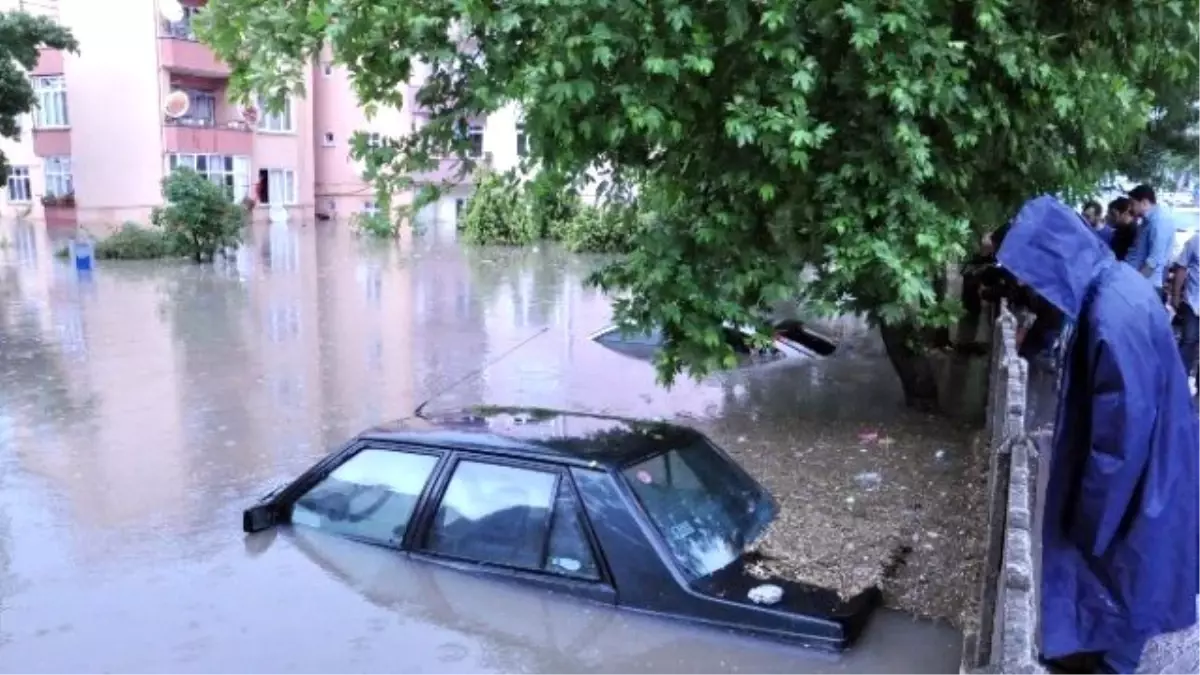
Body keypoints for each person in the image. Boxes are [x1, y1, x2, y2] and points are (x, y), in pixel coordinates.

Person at [996, 195, 1198, 675]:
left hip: (1145, 477)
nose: (1027, 285)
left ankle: (1110, 661)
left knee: (1127, 574)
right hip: (1159, 460)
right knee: (1129, 575)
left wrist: (1088, 518)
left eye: (1028, 271)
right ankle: (1095, 651)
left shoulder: (1111, 315)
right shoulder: (1114, 288)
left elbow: (1117, 444)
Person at [1127, 184, 1176, 300]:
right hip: (1141, 283)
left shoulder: (1159, 220)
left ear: (1144, 202)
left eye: (1132, 204)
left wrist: (1136, 283)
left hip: (1146, 286)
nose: (1130, 208)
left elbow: (1153, 260)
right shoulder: (1148, 220)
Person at [1170, 231, 1200, 395]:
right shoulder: (1196, 240)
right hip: (1193, 301)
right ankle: (1178, 384)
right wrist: (1175, 295)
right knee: (1189, 341)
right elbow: (1181, 268)